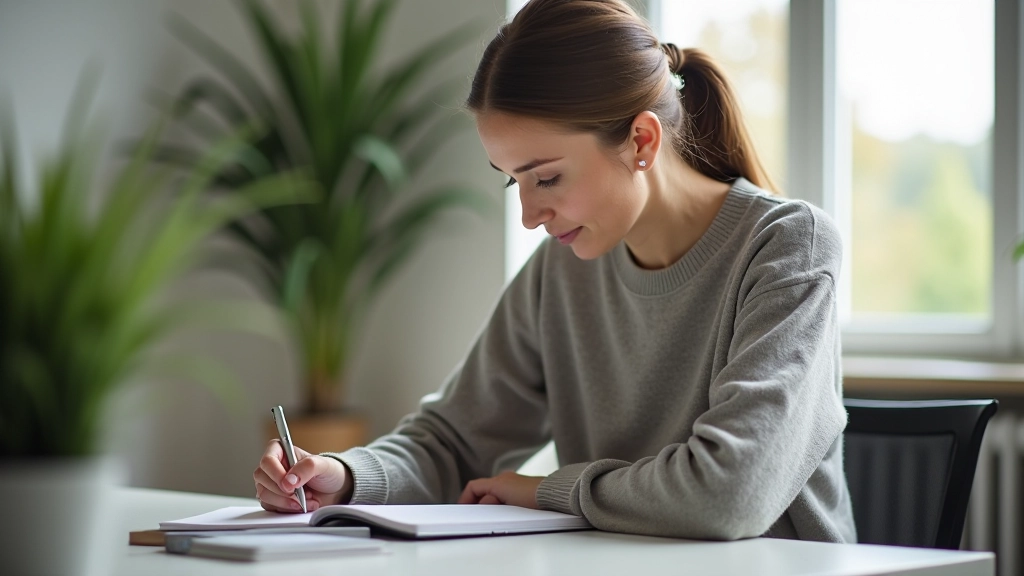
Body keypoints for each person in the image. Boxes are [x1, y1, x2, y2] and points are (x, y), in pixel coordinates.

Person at [253, 0, 856, 543]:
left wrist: (547, 491)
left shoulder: (787, 249)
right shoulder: (563, 267)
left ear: (641, 141)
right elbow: (454, 441)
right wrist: (346, 475)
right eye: (512, 180)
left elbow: (729, 494)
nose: (529, 215)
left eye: (545, 178)